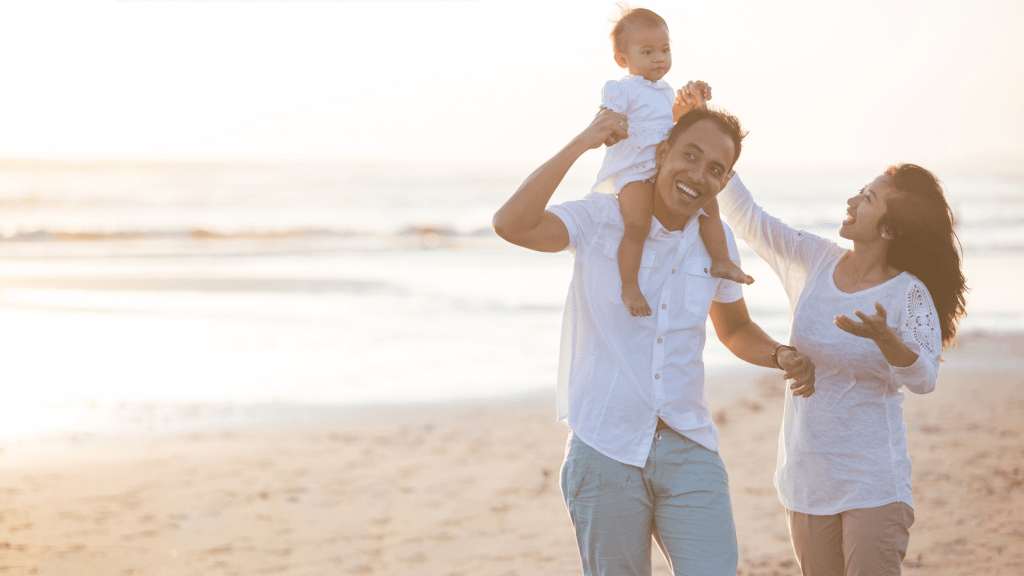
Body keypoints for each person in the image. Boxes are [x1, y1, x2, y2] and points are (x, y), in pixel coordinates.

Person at [492, 105, 816, 575]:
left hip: (689, 443)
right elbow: (511, 224)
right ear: (662, 153)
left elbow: (734, 328)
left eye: (714, 170)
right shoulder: (602, 218)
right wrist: (583, 142)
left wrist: (780, 354)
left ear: (723, 184)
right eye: (689, 155)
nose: (697, 175)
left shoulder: (716, 239)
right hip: (605, 447)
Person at [717, 163, 967, 575]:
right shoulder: (814, 259)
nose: (852, 201)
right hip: (807, 477)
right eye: (859, 191)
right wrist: (707, 132)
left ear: (888, 229)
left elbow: (925, 379)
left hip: (873, 484)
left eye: (867, 199)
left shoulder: (909, 293)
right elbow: (750, 220)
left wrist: (889, 342)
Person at [594, 7, 752, 318]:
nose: (659, 59)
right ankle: (629, 285)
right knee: (637, 225)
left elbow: (673, 128)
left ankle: (721, 259)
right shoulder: (621, 89)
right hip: (634, 172)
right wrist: (610, 133)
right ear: (622, 59)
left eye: (665, 50)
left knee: (708, 206)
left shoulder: (665, 92)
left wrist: (697, 106)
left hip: (661, 168)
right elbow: (606, 119)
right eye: (648, 51)